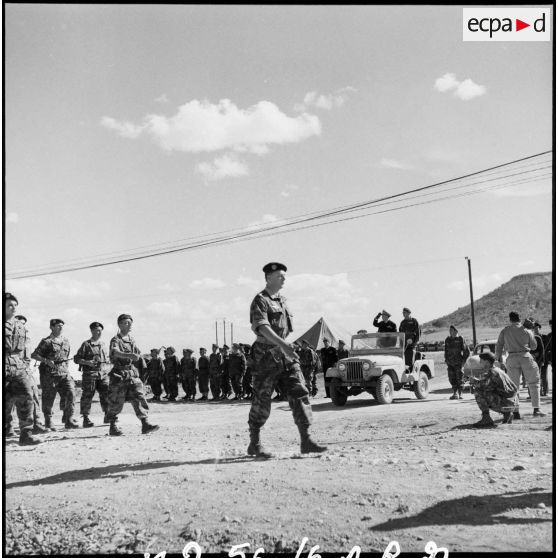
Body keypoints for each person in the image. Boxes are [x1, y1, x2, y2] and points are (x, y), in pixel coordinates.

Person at [247, 262, 327, 458]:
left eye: (284, 275)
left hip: (284, 354)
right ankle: (254, 443)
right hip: (265, 355)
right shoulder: (260, 300)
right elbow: (263, 327)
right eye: (279, 276)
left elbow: (285, 328)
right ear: (268, 278)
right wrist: (283, 344)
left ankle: (306, 440)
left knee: (299, 390)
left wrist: (285, 347)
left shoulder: (282, 301)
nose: (284, 278)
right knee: (262, 398)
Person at [105, 314, 158, 435]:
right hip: (119, 373)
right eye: (126, 323)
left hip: (132, 373)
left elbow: (137, 353)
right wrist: (129, 355)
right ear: (119, 324)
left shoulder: (131, 339)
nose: (129, 325)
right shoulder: (116, 339)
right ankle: (112, 426)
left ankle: (145, 424)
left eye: (130, 323)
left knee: (139, 396)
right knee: (116, 401)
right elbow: (115, 352)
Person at [4, 293, 41, 446]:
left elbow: (25, 348)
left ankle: (26, 434)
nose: (13, 308)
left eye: (15, 305)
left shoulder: (20, 325)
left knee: (27, 396)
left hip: (18, 366)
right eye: (9, 305)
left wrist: (25, 364)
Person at [495, 311, 545, 418]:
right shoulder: (526, 330)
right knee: (534, 383)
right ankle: (536, 409)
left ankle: (515, 411)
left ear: (510, 319)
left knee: (513, 386)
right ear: (519, 318)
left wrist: (498, 359)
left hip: (512, 358)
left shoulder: (505, 331)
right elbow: (534, 347)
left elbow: (499, 346)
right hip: (525, 357)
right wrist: (531, 331)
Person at [32, 318, 79, 430]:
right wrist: (47, 361)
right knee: (49, 398)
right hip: (49, 375)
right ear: (52, 327)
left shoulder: (66, 341)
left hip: (64, 374)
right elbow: (34, 355)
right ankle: (48, 421)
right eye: (58, 325)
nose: (61, 327)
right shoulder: (46, 342)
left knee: (71, 393)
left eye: (62, 325)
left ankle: (69, 419)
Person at [6, 315, 47, 436]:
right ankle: (8, 426)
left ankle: (36, 425)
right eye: (19, 323)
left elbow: (27, 357)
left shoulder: (25, 340)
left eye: (23, 324)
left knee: (32, 395)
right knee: (8, 400)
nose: (21, 325)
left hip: (25, 371)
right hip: (10, 369)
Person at [74, 321, 110, 427]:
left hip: (103, 374)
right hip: (90, 374)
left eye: (100, 331)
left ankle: (108, 416)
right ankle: (86, 418)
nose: (98, 332)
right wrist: (87, 362)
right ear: (91, 331)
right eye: (96, 330)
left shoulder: (103, 344)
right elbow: (76, 359)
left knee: (106, 394)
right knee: (87, 396)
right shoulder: (86, 344)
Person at [470, 352, 519, 428]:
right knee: (484, 390)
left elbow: (485, 387)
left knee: (478, 391)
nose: (480, 362)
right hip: (511, 402)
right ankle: (507, 414)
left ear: (486, 361)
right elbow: (489, 383)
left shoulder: (492, 372)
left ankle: (486, 418)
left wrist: (474, 382)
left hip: (506, 403)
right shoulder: (497, 370)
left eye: (481, 360)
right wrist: (476, 380)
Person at [444, 325, 470, 400]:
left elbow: (466, 351)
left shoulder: (460, 339)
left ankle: (460, 393)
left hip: (458, 363)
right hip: (450, 363)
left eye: (452, 330)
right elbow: (446, 350)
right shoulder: (447, 340)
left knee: (460, 378)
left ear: (456, 331)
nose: (450, 332)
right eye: (450, 330)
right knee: (451, 378)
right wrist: (446, 359)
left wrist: (463, 361)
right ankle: (455, 393)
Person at [541, 320, 553, 397]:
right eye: (551, 326)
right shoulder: (549, 336)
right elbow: (547, 348)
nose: (551, 327)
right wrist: (548, 359)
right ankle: (546, 391)